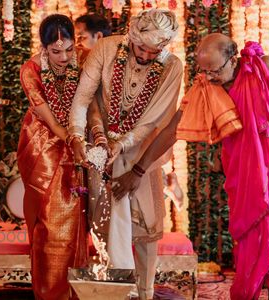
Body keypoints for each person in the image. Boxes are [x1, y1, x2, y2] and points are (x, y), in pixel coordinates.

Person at [116, 33, 269, 300]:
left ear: (232, 58)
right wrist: (139, 169)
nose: (209, 77)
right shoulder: (207, 88)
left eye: (215, 70)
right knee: (253, 243)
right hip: (247, 177)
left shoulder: (264, 67)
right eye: (204, 71)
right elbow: (172, 130)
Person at [69, 9, 183, 300]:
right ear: (132, 36)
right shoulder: (107, 49)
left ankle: (145, 293)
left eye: (153, 50)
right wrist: (78, 136)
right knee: (105, 227)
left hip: (144, 153)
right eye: (141, 47)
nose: (145, 55)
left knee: (146, 228)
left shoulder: (172, 66)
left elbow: (155, 120)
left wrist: (127, 151)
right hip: (101, 148)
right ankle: (111, 293)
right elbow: (84, 97)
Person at [17, 14, 88, 300]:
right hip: (43, 143)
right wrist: (72, 137)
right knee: (49, 220)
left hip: (77, 138)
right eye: (55, 51)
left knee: (76, 217)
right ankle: (49, 292)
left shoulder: (85, 58)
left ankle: (74, 291)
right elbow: (49, 118)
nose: (63, 56)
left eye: (68, 49)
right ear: (43, 47)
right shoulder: (31, 69)